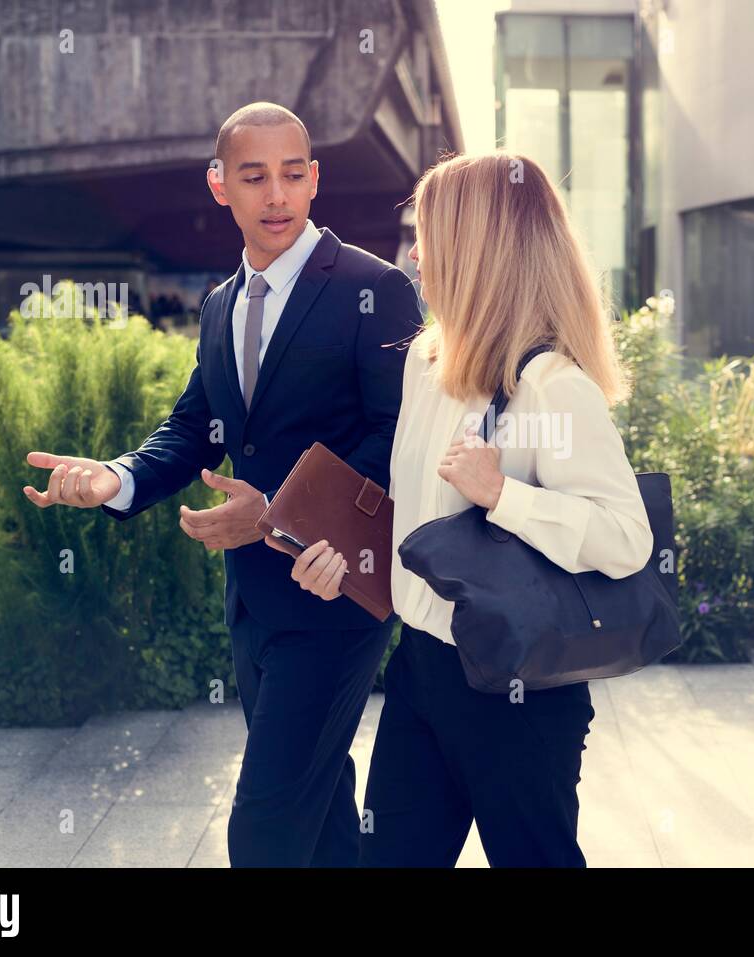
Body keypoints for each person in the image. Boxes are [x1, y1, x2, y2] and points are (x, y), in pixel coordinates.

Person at [21, 102, 422, 867]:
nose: (276, 195)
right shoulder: (220, 304)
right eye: (254, 176)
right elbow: (194, 424)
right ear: (219, 186)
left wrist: (276, 516)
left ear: (314, 180)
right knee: (322, 807)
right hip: (252, 605)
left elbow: (396, 438)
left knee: (264, 827)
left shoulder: (374, 290)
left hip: (335, 600)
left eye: (292, 174)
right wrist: (115, 478)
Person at [272, 152, 653, 866]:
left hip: (521, 692)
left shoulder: (548, 384)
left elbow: (626, 537)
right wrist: (341, 562)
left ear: (480, 249)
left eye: (431, 233)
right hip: (422, 671)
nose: (415, 253)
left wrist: (504, 495)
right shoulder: (428, 362)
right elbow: (413, 520)